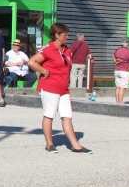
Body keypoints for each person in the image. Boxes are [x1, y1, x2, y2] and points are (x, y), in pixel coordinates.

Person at [27, 22, 91, 154]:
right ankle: (49, 143)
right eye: (65, 34)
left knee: (67, 116)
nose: (67, 37)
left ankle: (75, 145)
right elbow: (32, 62)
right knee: (49, 114)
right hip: (50, 86)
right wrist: (44, 71)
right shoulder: (48, 49)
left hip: (63, 88)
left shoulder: (66, 50)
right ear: (57, 35)